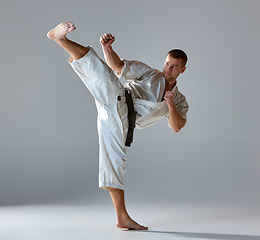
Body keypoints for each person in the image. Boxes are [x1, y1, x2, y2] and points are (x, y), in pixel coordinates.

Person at [47, 21, 189, 230]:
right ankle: (60, 38)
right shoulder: (150, 73)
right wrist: (107, 48)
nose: (168, 69)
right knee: (100, 69)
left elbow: (177, 126)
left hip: (121, 123)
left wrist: (169, 103)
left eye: (174, 66)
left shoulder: (179, 100)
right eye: (167, 63)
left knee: (116, 160)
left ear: (182, 70)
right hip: (119, 99)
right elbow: (118, 67)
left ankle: (122, 218)